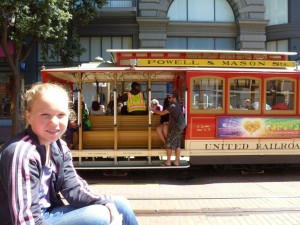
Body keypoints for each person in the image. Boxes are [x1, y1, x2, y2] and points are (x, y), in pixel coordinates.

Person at [0, 83, 138, 225]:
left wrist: (108, 204)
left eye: (61, 115)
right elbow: (24, 220)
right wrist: (106, 212)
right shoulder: (23, 153)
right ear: (28, 116)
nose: (54, 123)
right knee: (100, 215)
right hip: (28, 220)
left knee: (119, 204)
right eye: (45, 115)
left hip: (50, 214)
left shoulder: (59, 146)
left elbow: (75, 189)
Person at [149, 91, 185, 166]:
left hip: (174, 129)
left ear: (174, 98)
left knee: (168, 145)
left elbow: (162, 113)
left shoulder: (173, 106)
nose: (168, 99)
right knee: (177, 145)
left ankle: (168, 162)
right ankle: (176, 162)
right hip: (179, 127)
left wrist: (152, 109)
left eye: (169, 97)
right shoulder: (178, 105)